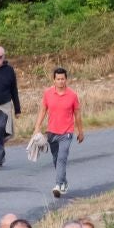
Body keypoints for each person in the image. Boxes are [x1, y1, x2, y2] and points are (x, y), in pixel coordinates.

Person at [32, 67, 83, 199]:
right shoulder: (48, 93)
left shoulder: (72, 95)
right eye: (58, 79)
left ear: (66, 80)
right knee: (56, 159)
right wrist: (37, 127)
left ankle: (58, 185)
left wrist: (80, 131)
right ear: (54, 80)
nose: (60, 81)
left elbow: (77, 114)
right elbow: (43, 110)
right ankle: (64, 182)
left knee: (62, 158)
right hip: (52, 132)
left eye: (63, 79)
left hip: (67, 133)